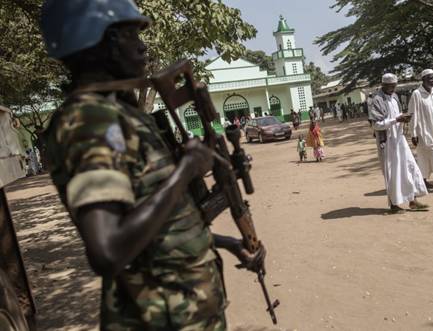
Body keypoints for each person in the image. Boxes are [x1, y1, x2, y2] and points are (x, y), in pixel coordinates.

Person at [39, 1, 264, 329]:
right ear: (107, 43)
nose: (143, 46)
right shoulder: (89, 121)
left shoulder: (122, 115)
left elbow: (155, 226)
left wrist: (227, 243)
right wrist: (185, 169)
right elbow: (109, 250)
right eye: (132, 35)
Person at [372, 73, 428, 213]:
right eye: (390, 86)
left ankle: (412, 200)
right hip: (388, 142)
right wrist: (396, 120)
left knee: (409, 167)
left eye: (394, 86)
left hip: (400, 138)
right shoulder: (376, 100)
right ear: (383, 85)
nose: (393, 88)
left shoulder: (395, 97)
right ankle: (394, 204)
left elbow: (398, 115)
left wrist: (404, 119)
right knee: (392, 173)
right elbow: (376, 125)